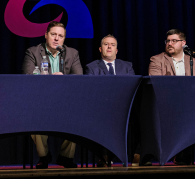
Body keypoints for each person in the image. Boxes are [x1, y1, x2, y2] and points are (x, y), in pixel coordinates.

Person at [21, 21, 83, 169]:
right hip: (40, 100)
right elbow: (27, 76)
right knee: (34, 117)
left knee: (79, 115)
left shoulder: (72, 53)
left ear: (64, 39)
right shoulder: (33, 52)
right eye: (53, 34)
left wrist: (64, 78)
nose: (56, 38)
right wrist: (51, 77)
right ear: (46, 35)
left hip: (65, 101)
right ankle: (44, 156)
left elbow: (79, 78)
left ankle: (66, 156)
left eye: (60, 36)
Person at [148, 29, 195, 165]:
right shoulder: (157, 60)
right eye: (168, 41)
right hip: (167, 105)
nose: (170, 44)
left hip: (190, 106)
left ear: (183, 43)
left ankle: (185, 154)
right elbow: (156, 84)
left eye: (174, 41)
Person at [85, 34, 135, 166]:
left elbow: (132, 87)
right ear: (100, 49)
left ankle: (136, 155)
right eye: (106, 44)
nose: (109, 47)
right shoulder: (91, 67)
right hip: (100, 108)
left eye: (112, 45)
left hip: (123, 107)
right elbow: (90, 90)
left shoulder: (127, 66)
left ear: (116, 50)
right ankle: (104, 156)